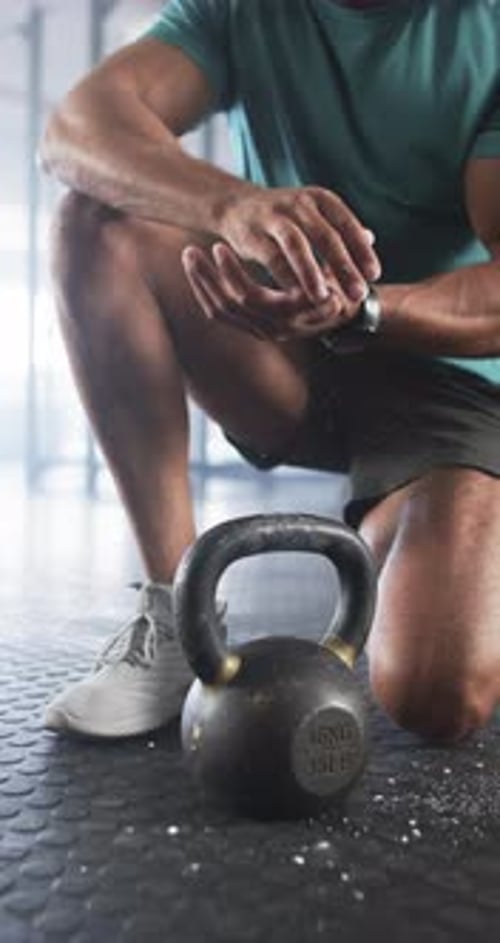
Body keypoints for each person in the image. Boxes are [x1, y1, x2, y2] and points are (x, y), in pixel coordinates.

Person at [40, 0, 500, 742]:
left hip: (452, 383)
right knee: (94, 219)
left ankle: (444, 514)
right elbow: (74, 128)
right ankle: (177, 616)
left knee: (438, 691)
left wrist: (366, 309)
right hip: (287, 344)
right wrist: (233, 206)